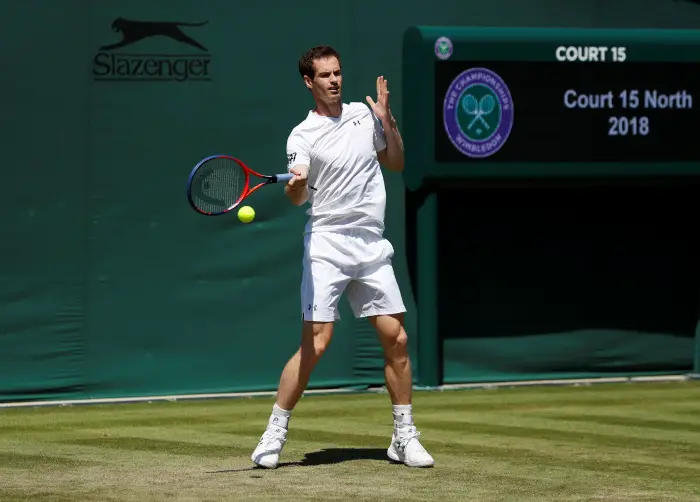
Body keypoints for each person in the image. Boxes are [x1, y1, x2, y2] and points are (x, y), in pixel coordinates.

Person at [251, 45, 434, 469]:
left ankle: (403, 437)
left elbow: (396, 161)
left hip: (370, 242)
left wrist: (387, 121)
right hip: (327, 243)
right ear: (308, 82)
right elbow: (297, 197)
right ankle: (274, 432)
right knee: (316, 342)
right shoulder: (302, 136)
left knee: (397, 338)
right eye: (325, 76)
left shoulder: (363, 115)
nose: (334, 81)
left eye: (338, 73)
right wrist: (297, 184)